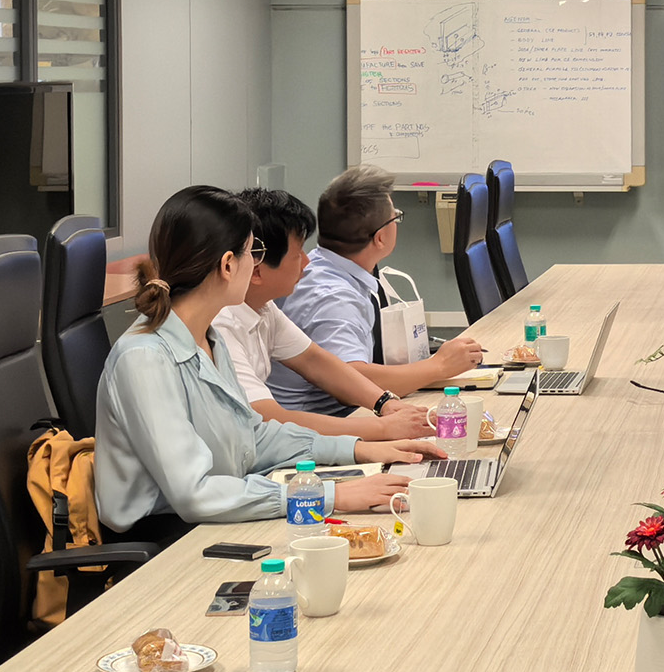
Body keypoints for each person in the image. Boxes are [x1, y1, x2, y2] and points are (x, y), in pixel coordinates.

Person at [94, 185, 442, 534]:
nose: (255, 263)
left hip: (221, 509)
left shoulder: (208, 338)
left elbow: (254, 438)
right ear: (228, 265)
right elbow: (194, 493)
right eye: (252, 252)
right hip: (168, 536)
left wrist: (359, 450)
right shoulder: (144, 359)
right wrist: (330, 495)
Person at [213, 187, 439, 440]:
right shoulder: (220, 326)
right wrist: (384, 428)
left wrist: (385, 403)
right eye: (297, 255)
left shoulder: (263, 308)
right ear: (256, 270)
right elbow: (268, 418)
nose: (306, 262)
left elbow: (314, 360)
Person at [270, 164, 483, 418]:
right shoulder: (334, 298)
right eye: (395, 217)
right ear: (380, 237)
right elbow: (352, 380)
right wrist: (439, 366)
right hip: (325, 423)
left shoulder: (324, 266)